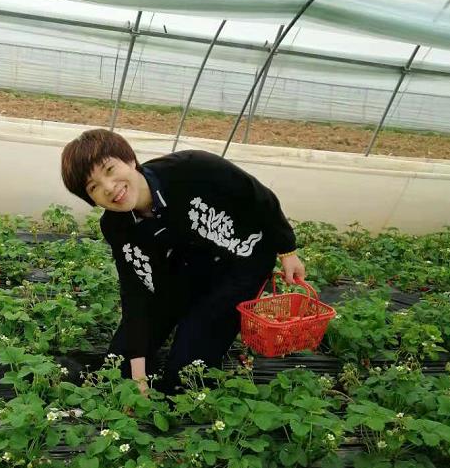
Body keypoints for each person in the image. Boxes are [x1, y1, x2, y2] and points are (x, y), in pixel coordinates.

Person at [60, 128, 305, 393]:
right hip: (188, 264)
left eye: (109, 170)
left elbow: (257, 195)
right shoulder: (117, 226)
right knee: (119, 365)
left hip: (241, 261)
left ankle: (200, 325)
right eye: (93, 187)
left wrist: (287, 249)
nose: (109, 188)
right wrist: (138, 378)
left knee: (185, 376)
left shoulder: (192, 168)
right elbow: (136, 292)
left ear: (130, 159)